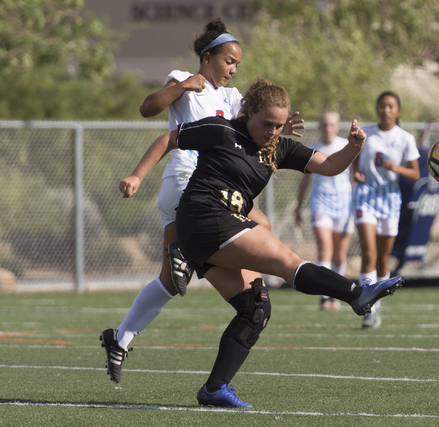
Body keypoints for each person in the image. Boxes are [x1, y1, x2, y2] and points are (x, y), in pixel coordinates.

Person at [123, 81, 404, 408]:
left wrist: (353, 147)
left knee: (255, 308)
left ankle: (215, 388)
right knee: (286, 259)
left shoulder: (279, 148)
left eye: (279, 125)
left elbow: (329, 166)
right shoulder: (222, 130)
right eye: (267, 123)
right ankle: (357, 294)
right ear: (249, 113)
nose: (273, 131)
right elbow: (169, 139)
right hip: (203, 216)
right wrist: (137, 176)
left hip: (216, 230)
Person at [99, 19, 303, 385]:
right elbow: (148, 109)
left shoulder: (231, 97)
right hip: (185, 184)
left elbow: (253, 125)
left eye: (237, 63)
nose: (234, 68)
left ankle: (121, 337)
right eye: (229, 61)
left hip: (216, 190)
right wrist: (180, 87)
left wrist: (276, 130)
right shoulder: (183, 79)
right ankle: (189, 252)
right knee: (253, 230)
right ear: (207, 58)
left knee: (170, 283)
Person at [353, 91, 420, 329]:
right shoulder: (367, 133)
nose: (386, 110)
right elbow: (353, 155)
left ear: (398, 111)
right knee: (369, 253)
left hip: (390, 201)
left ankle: (377, 307)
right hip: (365, 198)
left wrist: (396, 168)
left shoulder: (405, 138)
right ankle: (367, 308)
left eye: (391, 106)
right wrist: (355, 172)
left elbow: (415, 174)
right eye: (382, 105)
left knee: (383, 258)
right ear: (377, 109)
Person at [294, 111, 354, 311]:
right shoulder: (313, 149)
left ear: (337, 127)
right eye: (325, 124)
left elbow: (355, 176)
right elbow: (305, 181)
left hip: (344, 205)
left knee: (339, 254)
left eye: (332, 124)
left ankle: (337, 295)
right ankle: (324, 297)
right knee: (325, 249)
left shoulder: (346, 147)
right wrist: (298, 207)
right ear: (319, 127)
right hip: (321, 204)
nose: (328, 128)